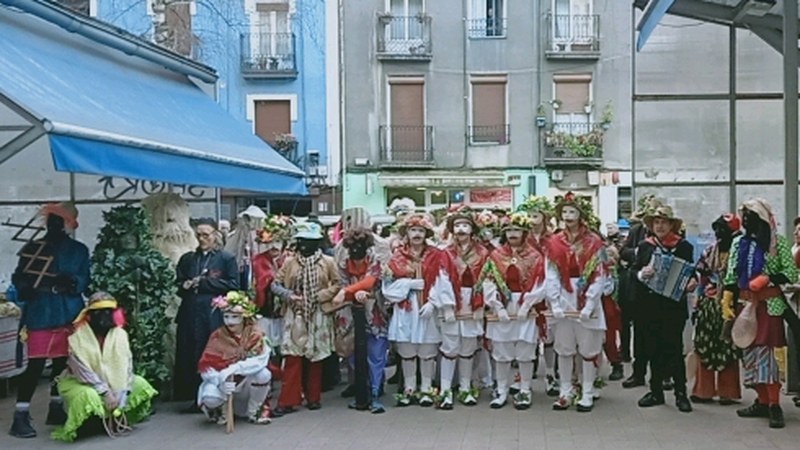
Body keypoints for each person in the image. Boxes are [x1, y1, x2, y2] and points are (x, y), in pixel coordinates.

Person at [9, 202, 90, 439]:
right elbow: (19, 277)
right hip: (41, 312)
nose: (54, 223)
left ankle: (55, 408)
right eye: (52, 218)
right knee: (35, 365)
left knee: (62, 364)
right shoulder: (32, 247)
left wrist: (73, 281)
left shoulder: (79, 250)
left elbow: (85, 277)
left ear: (68, 224)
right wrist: (26, 288)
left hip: (68, 312)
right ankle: (20, 415)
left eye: (60, 219)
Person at [724, 199, 796, 428]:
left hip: (769, 305)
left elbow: (791, 273)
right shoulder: (738, 243)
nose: (746, 221)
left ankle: (774, 404)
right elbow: (731, 274)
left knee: (766, 357)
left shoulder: (778, 243)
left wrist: (769, 278)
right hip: (744, 306)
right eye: (744, 217)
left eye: (751, 217)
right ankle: (762, 401)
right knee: (750, 356)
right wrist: (727, 296)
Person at [51, 293, 157, 442]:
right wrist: (106, 392)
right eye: (98, 312)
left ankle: (117, 418)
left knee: (139, 383)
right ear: (89, 315)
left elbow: (127, 366)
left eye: (108, 312)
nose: (103, 316)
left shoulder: (120, 334)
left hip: (114, 383)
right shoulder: (77, 337)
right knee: (88, 395)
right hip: (81, 382)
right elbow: (83, 372)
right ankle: (87, 424)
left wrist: (122, 392)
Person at [382, 213, 459, 407]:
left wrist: (433, 302)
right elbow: (387, 287)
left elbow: (443, 280)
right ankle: (409, 389)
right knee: (407, 351)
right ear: (406, 233)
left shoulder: (436, 255)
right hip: (405, 310)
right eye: (413, 230)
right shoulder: (396, 257)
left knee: (427, 351)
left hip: (427, 309)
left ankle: (426, 388)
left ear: (426, 233)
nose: (417, 234)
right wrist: (407, 284)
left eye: (420, 230)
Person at [546, 192, 607, 412]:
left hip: (586, 298)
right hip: (563, 298)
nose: (568, 216)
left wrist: (590, 304)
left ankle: (588, 391)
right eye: (564, 212)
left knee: (588, 349)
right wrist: (555, 303)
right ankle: (565, 390)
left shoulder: (594, 242)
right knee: (563, 348)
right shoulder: (553, 242)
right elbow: (550, 273)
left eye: (572, 211)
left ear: (581, 215)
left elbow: (600, 274)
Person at [271, 222, 340, 414]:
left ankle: (313, 398)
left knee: (315, 357)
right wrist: (289, 295)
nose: (304, 245)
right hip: (296, 314)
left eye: (308, 241)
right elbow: (275, 284)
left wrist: (321, 296)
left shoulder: (328, 262)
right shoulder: (289, 262)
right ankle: (288, 401)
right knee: (293, 357)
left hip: (319, 313)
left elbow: (337, 284)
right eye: (301, 241)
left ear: (317, 242)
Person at [632, 205, 695, 413]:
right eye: (656, 222)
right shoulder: (645, 246)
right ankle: (656, 391)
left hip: (673, 307)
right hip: (649, 306)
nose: (659, 226)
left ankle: (681, 394)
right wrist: (643, 273)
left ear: (671, 225)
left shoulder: (684, 246)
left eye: (664, 222)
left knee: (675, 350)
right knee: (653, 349)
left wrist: (692, 282)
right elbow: (634, 272)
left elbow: (691, 272)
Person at [481, 212, 546, 410]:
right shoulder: (496, 255)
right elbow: (488, 280)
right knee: (501, 351)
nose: (512, 234)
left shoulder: (535, 256)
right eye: (508, 230)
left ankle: (525, 389)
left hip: (526, 305)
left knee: (525, 351)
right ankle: (501, 390)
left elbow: (541, 282)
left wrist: (528, 304)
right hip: (503, 305)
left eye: (516, 230)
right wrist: (496, 305)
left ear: (525, 232)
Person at [174, 218, 239, 409]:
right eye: (198, 235)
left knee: (209, 352)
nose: (202, 239)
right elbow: (178, 283)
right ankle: (194, 396)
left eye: (206, 235)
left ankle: (215, 396)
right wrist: (184, 285)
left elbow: (234, 285)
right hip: (189, 312)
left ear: (215, 235)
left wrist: (203, 283)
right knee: (190, 353)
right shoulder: (188, 259)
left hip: (212, 314)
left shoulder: (226, 258)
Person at [332, 227, 389, 413]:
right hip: (350, 313)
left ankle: (374, 391)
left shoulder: (375, 259)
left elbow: (372, 280)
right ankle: (362, 387)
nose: (356, 250)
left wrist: (348, 292)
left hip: (374, 311)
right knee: (352, 354)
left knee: (376, 354)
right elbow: (340, 283)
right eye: (352, 246)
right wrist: (348, 292)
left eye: (360, 246)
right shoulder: (342, 262)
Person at [438, 206, 489, 409]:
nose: (461, 229)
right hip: (452, 299)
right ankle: (445, 390)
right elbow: (440, 279)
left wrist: (481, 304)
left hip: (473, 300)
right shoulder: (445, 253)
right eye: (457, 225)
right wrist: (448, 306)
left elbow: (487, 279)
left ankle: (466, 388)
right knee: (450, 347)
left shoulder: (482, 253)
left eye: (465, 225)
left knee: (468, 346)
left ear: (472, 229)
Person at [197, 291, 272, 425]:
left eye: (234, 317)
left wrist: (235, 368)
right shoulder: (217, 336)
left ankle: (254, 412)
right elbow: (206, 366)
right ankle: (220, 412)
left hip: (246, 384)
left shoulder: (255, 335)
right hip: (224, 385)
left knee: (264, 374)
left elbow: (260, 360)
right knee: (210, 397)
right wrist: (220, 380)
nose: (230, 322)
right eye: (226, 316)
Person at [691, 214, 742, 405]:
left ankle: (727, 392)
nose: (719, 233)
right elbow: (702, 279)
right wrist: (697, 302)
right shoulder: (709, 251)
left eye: (723, 229)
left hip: (730, 305)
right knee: (704, 347)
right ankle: (703, 390)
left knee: (728, 348)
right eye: (717, 229)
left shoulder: (740, 253)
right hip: (709, 304)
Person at [518, 196, 560, 396]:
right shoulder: (521, 239)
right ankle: (524, 376)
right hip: (526, 290)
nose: (532, 219)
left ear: (545, 218)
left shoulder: (552, 240)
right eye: (529, 216)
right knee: (527, 335)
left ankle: (551, 374)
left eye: (536, 216)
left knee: (549, 335)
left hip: (547, 290)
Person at [621, 195, 662, 388]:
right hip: (639, 290)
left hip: (662, 294)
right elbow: (624, 251)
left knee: (662, 337)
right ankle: (638, 373)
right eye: (652, 218)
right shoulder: (637, 231)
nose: (657, 224)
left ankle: (665, 375)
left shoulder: (675, 237)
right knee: (640, 334)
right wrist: (637, 253)